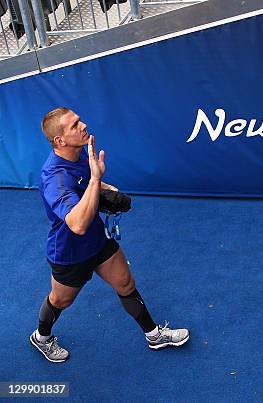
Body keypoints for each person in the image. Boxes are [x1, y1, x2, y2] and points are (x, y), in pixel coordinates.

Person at [31, 107, 189, 363]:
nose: (82, 126)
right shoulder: (54, 178)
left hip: (97, 239)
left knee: (125, 283)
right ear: (60, 140)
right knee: (61, 301)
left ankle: (153, 335)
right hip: (70, 252)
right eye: (74, 125)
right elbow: (77, 224)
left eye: (79, 120)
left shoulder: (80, 152)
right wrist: (96, 180)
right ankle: (42, 337)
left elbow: (85, 184)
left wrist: (106, 189)